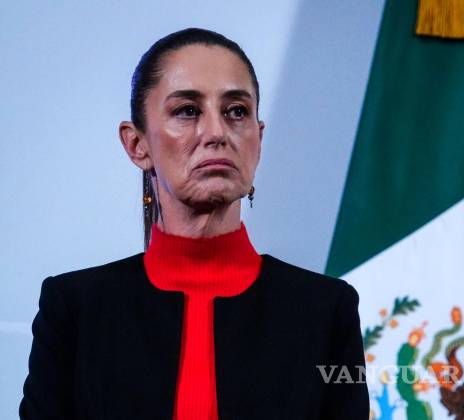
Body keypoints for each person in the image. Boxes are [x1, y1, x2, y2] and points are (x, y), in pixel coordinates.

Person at [19, 28, 369, 420]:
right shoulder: (73, 308)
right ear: (137, 144)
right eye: (187, 110)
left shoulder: (328, 310)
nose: (217, 133)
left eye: (236, 111)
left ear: (258, 139)